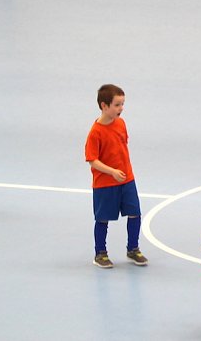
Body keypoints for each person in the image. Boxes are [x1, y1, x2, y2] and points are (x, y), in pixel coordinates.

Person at [84, 84, 148, 268]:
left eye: (122, 104)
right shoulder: (95, 133)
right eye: (117, 105)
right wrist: (112, 172)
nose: (121, 108)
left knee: (135, 213)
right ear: (104, 106)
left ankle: (133, 248)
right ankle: (100, 253)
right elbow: (92, 160)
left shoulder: (121, 123)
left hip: (127, 180)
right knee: (103, 218)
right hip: (105, 184)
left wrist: (123, 172)